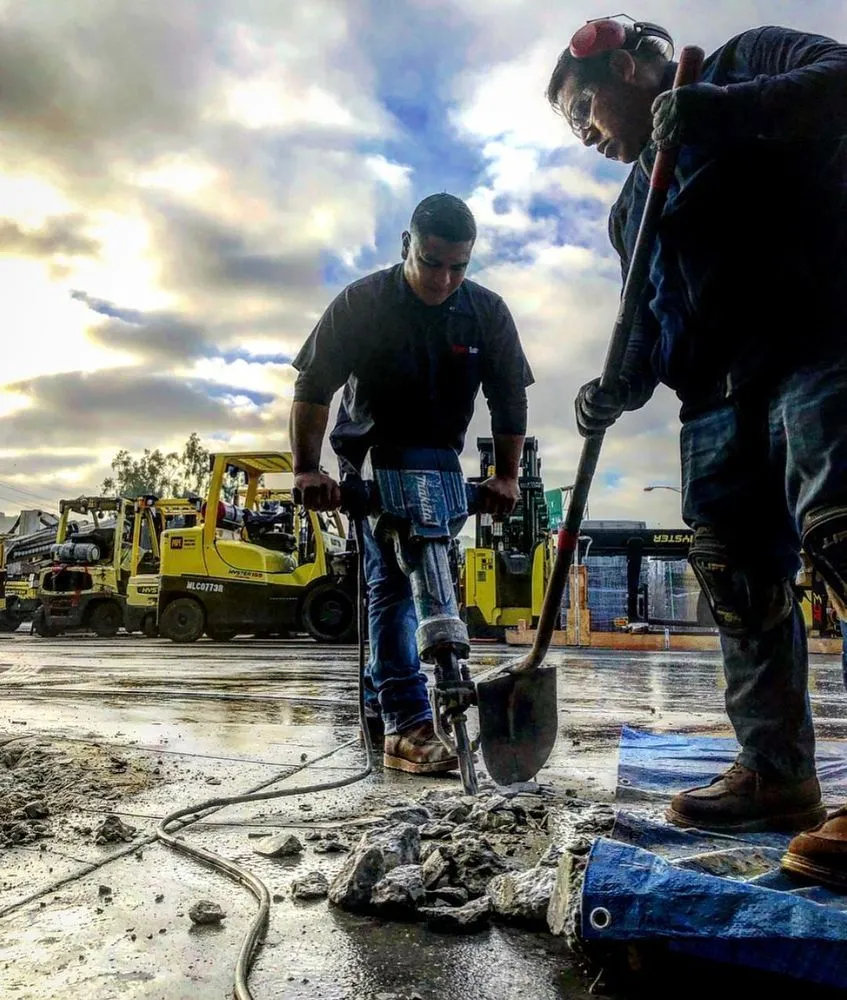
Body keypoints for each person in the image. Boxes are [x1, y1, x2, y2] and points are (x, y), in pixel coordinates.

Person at [545, 17, 847, 886]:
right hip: (713, 398)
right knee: (736, 583)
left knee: (842, 541)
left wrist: (717, 110)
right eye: (573, 126)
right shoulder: (627, 207)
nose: (587, 133)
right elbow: (646, 320)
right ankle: (777, 774)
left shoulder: (751, 61)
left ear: (633, 64)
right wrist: (618, 385)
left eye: (585, 106)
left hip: (816, 343)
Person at [289, 193, 533, 775]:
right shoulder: (362, 303)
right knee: (393, 587)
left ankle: (386, 696)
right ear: (407, 247)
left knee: (433, 577)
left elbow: (509, 400)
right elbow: (313, 387)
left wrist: (504, 477)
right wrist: (307, 468)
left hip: (439, 464)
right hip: (372, 461)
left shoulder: (487, 314)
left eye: (459, 266)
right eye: (432, 263)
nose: (445, 278)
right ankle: (404, 721)